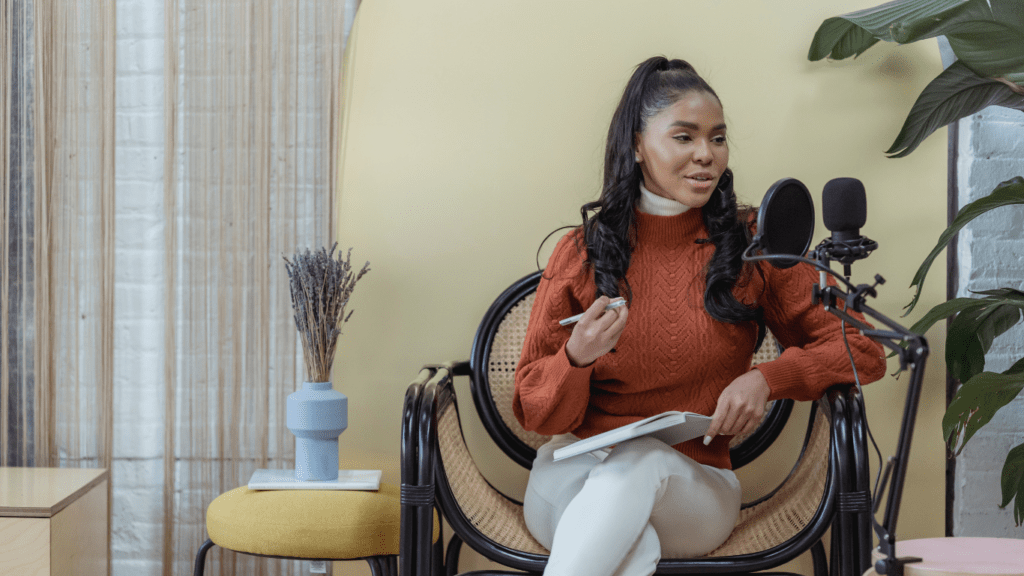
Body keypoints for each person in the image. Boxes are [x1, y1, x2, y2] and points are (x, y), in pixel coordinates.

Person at [511, 56, 887, 576]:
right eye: (684, 138)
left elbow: (862, 348)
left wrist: (767, 378)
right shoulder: (582, 251)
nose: (706, 156)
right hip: (570, 477)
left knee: (638, 464)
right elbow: (534, 412)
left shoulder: (755, 244)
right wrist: (575, 358)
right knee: (629, 543)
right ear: (638, 146)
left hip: (695, 487)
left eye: (717, 138)